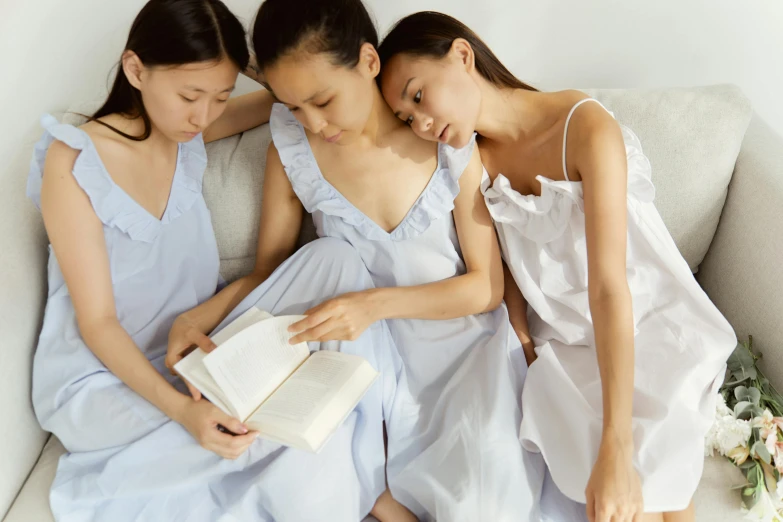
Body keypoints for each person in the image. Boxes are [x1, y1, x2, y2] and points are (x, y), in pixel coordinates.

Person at [31, 0, 396, 520]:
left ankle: (358, 454)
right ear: (135, 70)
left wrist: (237, 59)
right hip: (103, 378)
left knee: (333, 259)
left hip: (202, 349)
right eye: (189, 95)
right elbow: (97, 323)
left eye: (221, 97)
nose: (203, 115)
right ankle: (359, 486)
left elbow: (285, 94)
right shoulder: (74, 160)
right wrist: (183, 411)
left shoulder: (189, 137)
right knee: (257, 436)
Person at [377, 11, 737, 522]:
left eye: (418, 97)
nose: (423, 124)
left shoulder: (585, 127)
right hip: (564, 346)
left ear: (461, 55)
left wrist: (615, 447)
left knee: (646, 470)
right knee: (608, 496)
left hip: (640, 322)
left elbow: (611, 288)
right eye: (408, 119)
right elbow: (506, 271)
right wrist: (523, 342)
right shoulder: (471, 160)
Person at [226, 0, 563, 520]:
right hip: (364, 364)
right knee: (297, 485)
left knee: (483, 502)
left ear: (367, 60)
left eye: (322, 100)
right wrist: (196, 319)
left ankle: (388, 490)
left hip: (464, 353)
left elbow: (485, 288)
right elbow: (272, 276)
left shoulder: (446, 142)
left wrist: (373, 304)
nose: (313, 123)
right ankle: (376, 487)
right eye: (295, 107)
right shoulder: (292, 150)